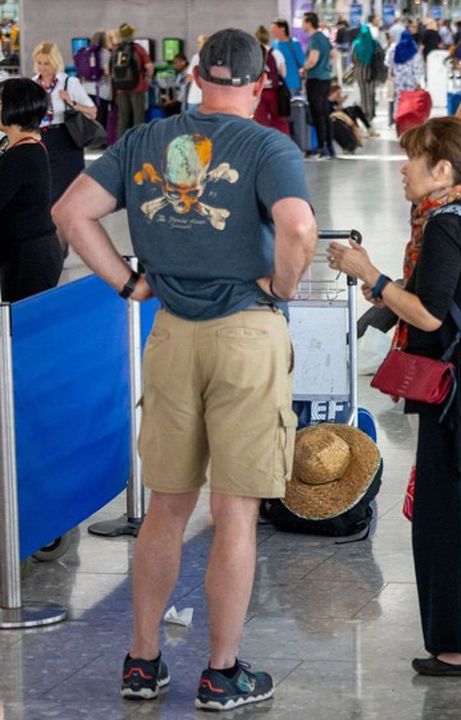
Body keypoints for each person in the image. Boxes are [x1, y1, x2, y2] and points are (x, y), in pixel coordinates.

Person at [53, 28, 316, 710]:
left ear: (196, 75)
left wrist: (126, 283)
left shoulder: (143, 143)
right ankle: (222, 672)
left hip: (169, 332)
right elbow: (297, 227)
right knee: (235, 512)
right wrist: (283, 287)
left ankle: (142, 662)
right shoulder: (267, 145)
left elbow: (71, 212)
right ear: (261, 86)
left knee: (166, 508)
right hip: (245, 335)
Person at [327, 117, 461, 677]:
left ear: (442, 169)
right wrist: (387, 291)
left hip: (457, 391)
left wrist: (373, 275)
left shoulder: (445, 225)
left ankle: (458, 646)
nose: (401, 169)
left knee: (449, 516)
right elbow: (439, 296)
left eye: (411, 159)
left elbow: (431, 313)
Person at [0, 78, 63, 302]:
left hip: (29, 258)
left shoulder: (22, 156)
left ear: (15, 107)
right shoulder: (17, 146)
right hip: (24, 252)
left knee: (22, 330)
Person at [31, 42, 96, 203]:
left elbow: (92, 112)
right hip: (42, 137)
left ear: (55, 63)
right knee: (45, 185)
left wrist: (71, 102)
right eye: (39, 63)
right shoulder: (32, 85)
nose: (42, 67)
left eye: (46, 63)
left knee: (68, 186)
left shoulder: (69, 83)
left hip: (66, 137)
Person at [300, 12, 337, 159]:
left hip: (315, 79)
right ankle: (330, 147)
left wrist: (304, 69)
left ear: (309, 22)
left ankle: (323, 148)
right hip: (325, 79)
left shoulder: (314, 39)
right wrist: (327, 68)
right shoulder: (324, 37)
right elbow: (335, 55)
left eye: (303, 22)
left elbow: (312, 59)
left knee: (317, 114)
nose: (302, 25)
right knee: (325, 113)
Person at [110, 23, 155, 135]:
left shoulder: (115, 50)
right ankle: (139, 142)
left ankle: (120, 144)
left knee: (123, 117)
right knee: (138, 116)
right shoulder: (137, 48)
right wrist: (148, 77)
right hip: (137, 86)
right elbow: (149, 66)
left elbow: (109, 70)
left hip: (120, 88)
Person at [252, 26, 288, 135]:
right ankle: (284, 146)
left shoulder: (253, 55)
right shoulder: (276, 53)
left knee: (261, 122)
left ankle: (263, 148)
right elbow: (283, 73)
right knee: (279, 121)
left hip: (259, 92)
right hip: (275, 92)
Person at [351, 24, 381, 128]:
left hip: (360, 72)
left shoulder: (356, 44)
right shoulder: (374, 43)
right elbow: (380, 57)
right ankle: (371, 113)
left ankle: (365, 113)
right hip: (372, 72)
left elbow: (353, 58)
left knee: (363, 93)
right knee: (371, 93)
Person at [270, 20, 305, 99]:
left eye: (274, 28)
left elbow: (302, 62)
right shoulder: (274, 44)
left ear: (282, 29)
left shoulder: (294, 43)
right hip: (278, 83)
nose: (272, 31)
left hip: (292, 83)